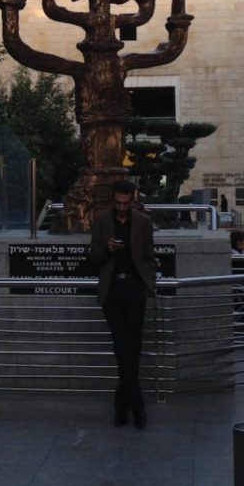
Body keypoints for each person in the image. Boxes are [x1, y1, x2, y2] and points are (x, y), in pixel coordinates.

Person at [89, 179, 156, 429]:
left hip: (135, 288)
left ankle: (122, 405)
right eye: (117, 203)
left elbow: (149, 255)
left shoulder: (143, 222)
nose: (121, 207)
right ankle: (137, 406)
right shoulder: (101, 220)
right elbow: (94, 256)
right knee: (121, 346)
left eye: (125, 203)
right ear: (112, 200)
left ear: (132, 201)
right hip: (112, 290)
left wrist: (148, 279)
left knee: (133, 347)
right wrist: (107, 249)